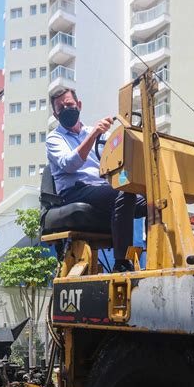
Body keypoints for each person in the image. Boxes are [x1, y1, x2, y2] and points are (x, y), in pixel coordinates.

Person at [46, 88, 147, 272]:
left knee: (153, 200)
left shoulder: (96, 134)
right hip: (75, 192)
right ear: (56, 114)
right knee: (124, 193)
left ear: (79, 105)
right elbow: (69, 164)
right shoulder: (55, 138)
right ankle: (122, 263)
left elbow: (115, 158)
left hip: (101, 190)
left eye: (69, 104)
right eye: (61, 107)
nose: (66, 109)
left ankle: (156, 257)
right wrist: (93, 135)